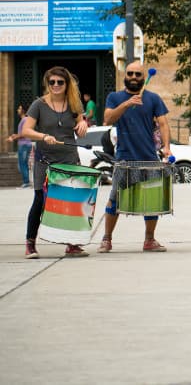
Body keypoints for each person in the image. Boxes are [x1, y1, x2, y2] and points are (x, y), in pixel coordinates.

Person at [98, 61, 172, 253]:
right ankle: (107, 239)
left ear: (144, 76)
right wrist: (126, 103)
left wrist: (167, 148)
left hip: (149, 156)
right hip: (124, 157)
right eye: (130, 73)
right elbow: (108, 118)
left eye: (138, 74)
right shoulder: (115, 97)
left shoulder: (153, 98)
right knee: (115, 198)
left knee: (152, 200)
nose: (133, 77)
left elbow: (163, 124)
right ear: (125, 75)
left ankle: (149, 239)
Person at [21, 68, 89, 258]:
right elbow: (26, 130)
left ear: (67, 84)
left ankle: (71, 244)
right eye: (52, 82)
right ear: (47, 84)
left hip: (69, 159)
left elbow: (80, 125)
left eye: (60, 82)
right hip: (45, 161)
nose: (56, 85)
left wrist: (83, 124)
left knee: (70, 201)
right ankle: (30, 243)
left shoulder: (74, 104)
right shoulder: (39, 105)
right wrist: (43, 136)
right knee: (40, 201)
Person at [8, 104, 33, 189]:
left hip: (25, 145)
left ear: (23, 110)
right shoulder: (24, 120)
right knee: (22, 164)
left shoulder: (25, 119)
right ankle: (26, 182)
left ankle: (26, 182)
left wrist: (14, 137)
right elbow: (22, 133)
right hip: (23, 145)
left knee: (23, 164)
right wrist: (15, 136)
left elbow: (24, 133)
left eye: (19, 108)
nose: (18, 110)